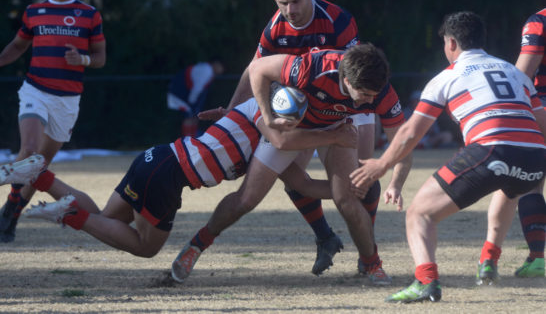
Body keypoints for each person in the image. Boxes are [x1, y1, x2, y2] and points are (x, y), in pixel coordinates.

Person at [202, 0, 409, 278]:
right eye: (282, 3)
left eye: (296, 2)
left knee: (363, 174)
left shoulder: (338, 21)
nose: (290, 10)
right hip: (304, 104)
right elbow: (255, 68)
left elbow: (356, 75)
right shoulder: (274, 28)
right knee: (293, 177)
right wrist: (232, 112)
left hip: (354, 97)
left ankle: (367, 251)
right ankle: (325, 236)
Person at [350, 11, 546, 303]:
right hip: (535, 156)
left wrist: (382, 164)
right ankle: (488, 261)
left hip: (490, 148)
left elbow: (410, 132)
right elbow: (541, 122)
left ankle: (425, 281)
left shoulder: (448, 76)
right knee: (510, 188)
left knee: (420, 213)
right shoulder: (515, 72)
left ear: (451, 43)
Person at [173, 43, 410, 285]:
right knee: (246, 200)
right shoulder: (311, 68)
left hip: (335, 125)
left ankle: (372, 263)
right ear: (346, 80)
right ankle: (197, 245)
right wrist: (267, 116)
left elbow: (404, 143)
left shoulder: (380, 90)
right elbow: (257, 68)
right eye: (365, 95)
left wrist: (396, 184)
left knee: (347, 199)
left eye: (374, 95)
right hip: (292, 127)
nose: (370, 102)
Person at [17, 97, 357, 262]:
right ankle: (67, 214)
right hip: (169, 176)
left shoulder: (253, 105)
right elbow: (291, 155)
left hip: (156, 156)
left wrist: (349, 187)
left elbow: (303, 184)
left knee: (105, 220)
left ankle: (40, 175)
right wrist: (334, 139)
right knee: (145, 246)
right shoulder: (275, 136)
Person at [0, 0, 106, 243]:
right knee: (31, 152)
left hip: (68, 101)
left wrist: (81, 58)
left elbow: (100, 58)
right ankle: (11, 206)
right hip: (35, 90)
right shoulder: (34, 12)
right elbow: (18, 46)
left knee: (40, 165)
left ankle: (12, 209)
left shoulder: (89, 14)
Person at [478, 9, 546, 280]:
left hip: (541, 107)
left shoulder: (540, 21)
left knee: (526, 182)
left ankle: (537, 258)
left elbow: (522, 75)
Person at [167, 59, 225, 137]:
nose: (222, 70)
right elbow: (197, 88)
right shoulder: (207, 71)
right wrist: (192, 103)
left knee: (193, 117)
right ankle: (187, 139)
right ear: (216, 64)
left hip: (186, 94)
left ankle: (192, 138)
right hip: (182, 94)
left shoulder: (207, 70)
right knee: (189, 116)